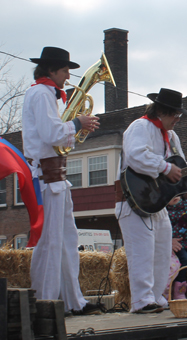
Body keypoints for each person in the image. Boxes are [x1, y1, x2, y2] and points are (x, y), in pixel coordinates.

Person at [115, 88, 187, 313]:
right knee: (141, 250)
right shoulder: (140, 127)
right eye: (175, 114)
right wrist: (165, 167)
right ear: (161, 111)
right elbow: (135, 155)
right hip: (135, 200)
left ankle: (157, 296)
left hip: (157, 201)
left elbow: (181, 169)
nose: (178, 119)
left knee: (160, 250)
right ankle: (141, 300)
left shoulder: (172, 136)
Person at [22, 46, 101, 315]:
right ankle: (45, 302)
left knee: (66, 240)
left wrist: (77, 127)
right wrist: (78, 123)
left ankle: (72, 301)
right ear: (51, 70)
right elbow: (52, 134)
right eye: (66, 70)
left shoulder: (47, 94)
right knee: (51, 242)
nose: (68, 76)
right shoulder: (41, 93)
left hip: (56, 177)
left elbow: (58, 138)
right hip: (47, 178)